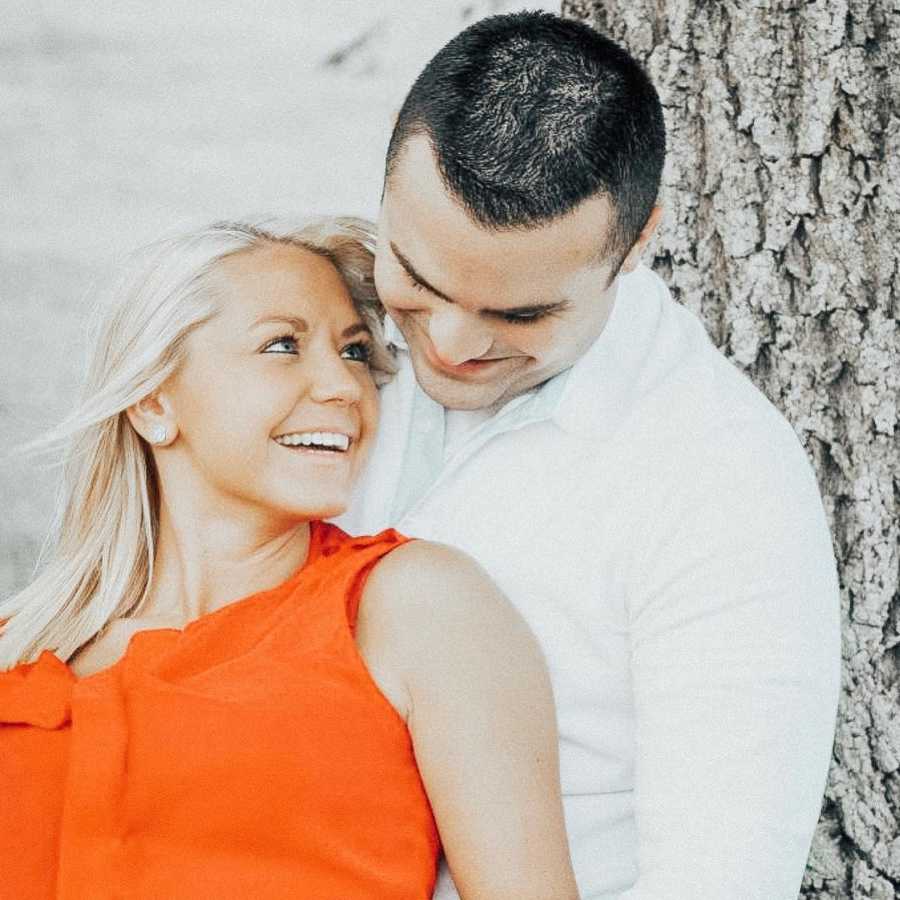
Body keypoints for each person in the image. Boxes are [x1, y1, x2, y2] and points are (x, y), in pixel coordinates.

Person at [333, 11, 842, 900]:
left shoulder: (722, 485)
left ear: (637, 242)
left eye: (521, 316)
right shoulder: (308, 333)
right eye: (419, 277)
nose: (450, 344)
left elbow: (719, 880)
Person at [0, 217, 580, 899]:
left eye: (357, 353)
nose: (343, 387)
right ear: (154, 402)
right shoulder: (22, 653)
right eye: (283, 345)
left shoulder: (413, 608)